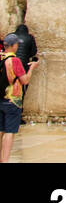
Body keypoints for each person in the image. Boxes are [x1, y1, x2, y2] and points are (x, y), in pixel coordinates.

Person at [0, 33, 38, 162]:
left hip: (0, 98)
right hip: (12, 100)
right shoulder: (15, 61)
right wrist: (32, 68)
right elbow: (24, 80)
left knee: (0, 130)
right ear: (14, 45)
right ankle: (5, 160)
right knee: (9, 131)